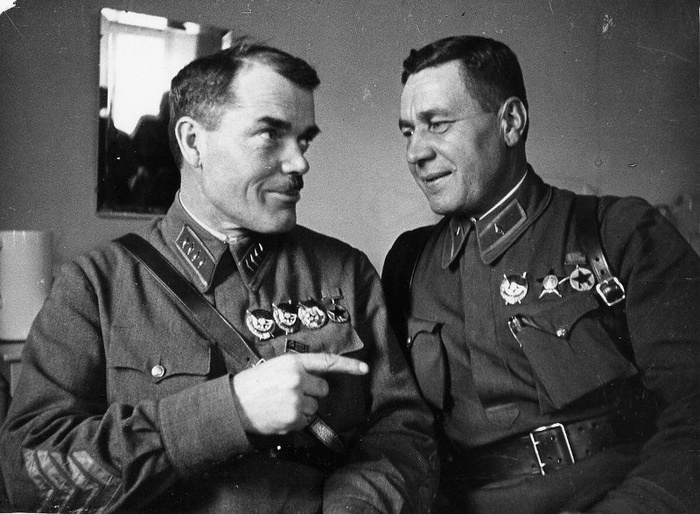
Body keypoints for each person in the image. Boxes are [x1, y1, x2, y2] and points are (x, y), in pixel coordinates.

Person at [0, 40, 437, 513]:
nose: (300, 163)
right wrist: (231, 411)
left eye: (304, 140)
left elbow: (402, 433)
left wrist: (356, 506)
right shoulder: (95, 286)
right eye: (270, 134)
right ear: (193, 142)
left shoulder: (344, 272)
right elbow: (31, 472)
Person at [382, 35, 700, 513]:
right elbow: (397, 434)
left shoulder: (618, 234)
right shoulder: (409, 264)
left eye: (438, 125)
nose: (415, 152)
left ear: (511, 122)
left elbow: (693, 414)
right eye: (408, 131)